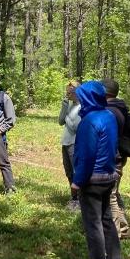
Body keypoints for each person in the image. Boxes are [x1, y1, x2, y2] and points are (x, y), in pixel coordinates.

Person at [69, 81, 122, 259]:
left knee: (93, 223)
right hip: (109, 176)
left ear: (89, 98)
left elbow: (87, 156)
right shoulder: (108, 116)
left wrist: (77, 182)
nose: (80, 100)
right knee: (106, 219)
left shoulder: (89, 121)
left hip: (93, 179)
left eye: (82, 97)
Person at [101, 78, 130, 239]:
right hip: (118, 156)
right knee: (114, 193)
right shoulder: (119, 108)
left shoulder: (110, 112)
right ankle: (124, 229)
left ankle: (116, 233)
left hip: (111, 159)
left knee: (110, 196)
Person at [59, 81, 82, 211]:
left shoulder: (81, 107)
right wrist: (64, 108)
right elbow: (60, 122)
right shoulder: (69, 105)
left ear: (77, 92)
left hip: (75, 143)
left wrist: (67, 114)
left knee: (76, 171)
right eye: (67, 92)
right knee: (69, 172)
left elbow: (75, 127)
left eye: (70, 92)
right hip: (65, 142)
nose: (68, 95)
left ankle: (79, 200)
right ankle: (73, 198)